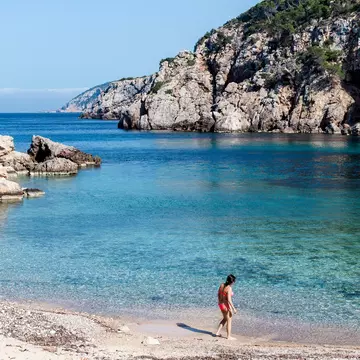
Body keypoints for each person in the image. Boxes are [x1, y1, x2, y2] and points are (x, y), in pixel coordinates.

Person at [215, 274, 237, 340]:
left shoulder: (222, 285)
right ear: (232, 282)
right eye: (234, 281)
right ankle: (229, 336)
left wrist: (220, 302)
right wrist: (233, 308)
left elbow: (218, 294)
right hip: (226, 306)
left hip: (220, 304)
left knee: (225, 319)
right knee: (229, 320)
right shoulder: (229, 288)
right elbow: (229, 300)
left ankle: (217, 333)